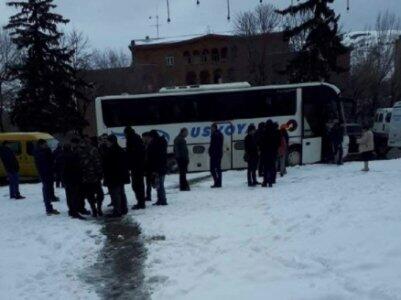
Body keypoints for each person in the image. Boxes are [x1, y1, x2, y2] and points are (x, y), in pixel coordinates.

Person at [103, 134, 130, 217]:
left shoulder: (111, 151)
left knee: (115, 194)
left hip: (113, 176)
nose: (106, 143)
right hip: (121, 176)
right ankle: (124, 209)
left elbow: (108, 165)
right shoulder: (120, 150)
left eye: (107, 141)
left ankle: (117, 211)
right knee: (121, 193)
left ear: (111, 142)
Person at [77, 138, 104, 218]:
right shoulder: (92, 150)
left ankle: (96, 209)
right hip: (92, 177)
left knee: (91, 195)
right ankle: (97, 209)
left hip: (88, 177)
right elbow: (98, 162)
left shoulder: (80, 151)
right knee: (97, 194)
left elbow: (97, 161)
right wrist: (100, 173)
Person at [33, 139, 60, 216]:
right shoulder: (42, 152)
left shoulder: (38, 151)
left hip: (45, 173)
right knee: (46, 190)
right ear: (41, 144)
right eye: (45, 144)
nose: (46, 145)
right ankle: (48, 208)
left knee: (47, 190)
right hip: (46, 174)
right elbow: (47, 163)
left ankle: (49, 207)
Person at [61, 141, 85, 220]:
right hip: (73, 179)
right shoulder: (72, 156)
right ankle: (75, 211)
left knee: (69, 195)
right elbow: (77, 167)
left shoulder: (61, 156)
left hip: (66, 179)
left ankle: (71, 210)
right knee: (74, 196)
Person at [125, 126, 146, 210]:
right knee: (139, 184)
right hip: (139, 165)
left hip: (135, 166)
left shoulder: (131, 140)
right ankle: (141, 201)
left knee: (136, 185)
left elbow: (131, 154)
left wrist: (129, 164)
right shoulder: (137, 138)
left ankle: (140, 202)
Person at [148, 130, 168, 206]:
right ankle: (161, 199)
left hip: (158, 168)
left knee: (160, 184)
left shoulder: (155, 144)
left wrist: (154, 169)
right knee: (160, 184)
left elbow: (154, 158)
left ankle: (162, 200)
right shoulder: (161, 142)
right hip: (162, 167)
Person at [260, 121, 280, 187]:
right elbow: (277, 143)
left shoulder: (264, 133)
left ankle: (265, 181)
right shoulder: (274, 133)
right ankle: (271, 180)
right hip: (272, 153)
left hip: (265, 153)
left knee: (265, 168)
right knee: (272, 167)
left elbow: (262, 144)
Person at [209, 123, 224, 188]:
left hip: (215, 154)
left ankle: (217, 182)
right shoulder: (220, 134)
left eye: (211, 128)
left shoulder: (215, 135)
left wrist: (210, 152)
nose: (211, 129)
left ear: (214, 128)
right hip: (218, 154)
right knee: (218, 169)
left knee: (212, 169)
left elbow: (214, 145)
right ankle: (219, 182)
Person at [142, 132, 153, 202]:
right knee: (148, 182)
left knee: (149, 182)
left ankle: (149, 195)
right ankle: (148, 195)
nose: (142, 139)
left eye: (143, 137)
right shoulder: (144, 145)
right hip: (146, 166)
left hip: (150, 166)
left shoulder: (150, 145)